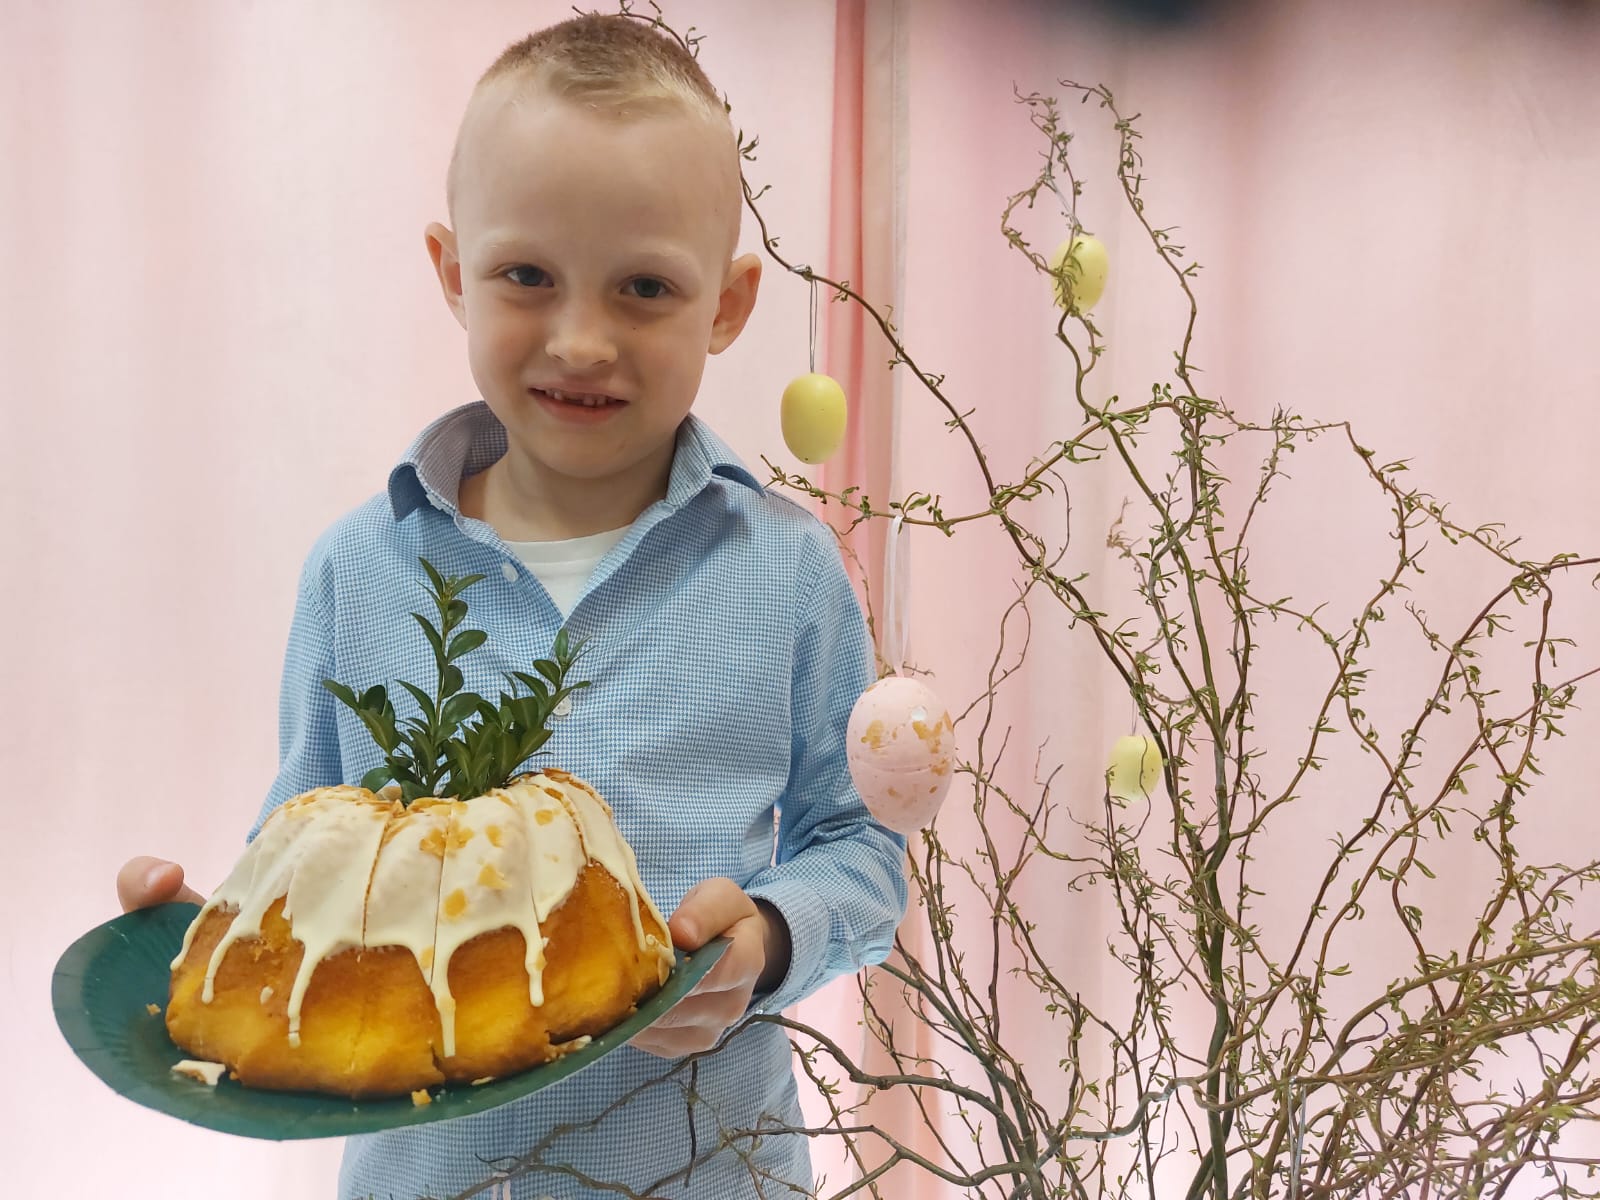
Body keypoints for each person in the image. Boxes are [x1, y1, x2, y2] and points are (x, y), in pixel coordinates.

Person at [115, 13, 907, 1198]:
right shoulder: (356, 570)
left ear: (728, 303)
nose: (580, 341)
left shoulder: (789, 574)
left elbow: (862, 851)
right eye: (527, 276)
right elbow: (303, 854)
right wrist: (209, 931)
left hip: (710, 1174)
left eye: (645, 287)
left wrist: (769, 938)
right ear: (452, 273)